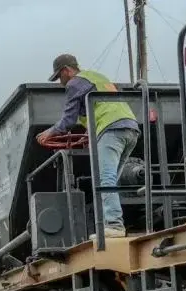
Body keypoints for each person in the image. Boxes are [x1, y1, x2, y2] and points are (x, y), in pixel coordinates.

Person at [36, 53, 140, 239]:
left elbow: (68, 120)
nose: (60, 82)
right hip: (130, 129)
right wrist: (89, 132)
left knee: (105, 179)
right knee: (112, 180)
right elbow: (100, 106)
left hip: (110, 129)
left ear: (67, 70)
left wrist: (49, 132)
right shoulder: (96, 77)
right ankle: (112, 224)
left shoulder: (74, 83)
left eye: (59, 76)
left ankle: (114, 225)